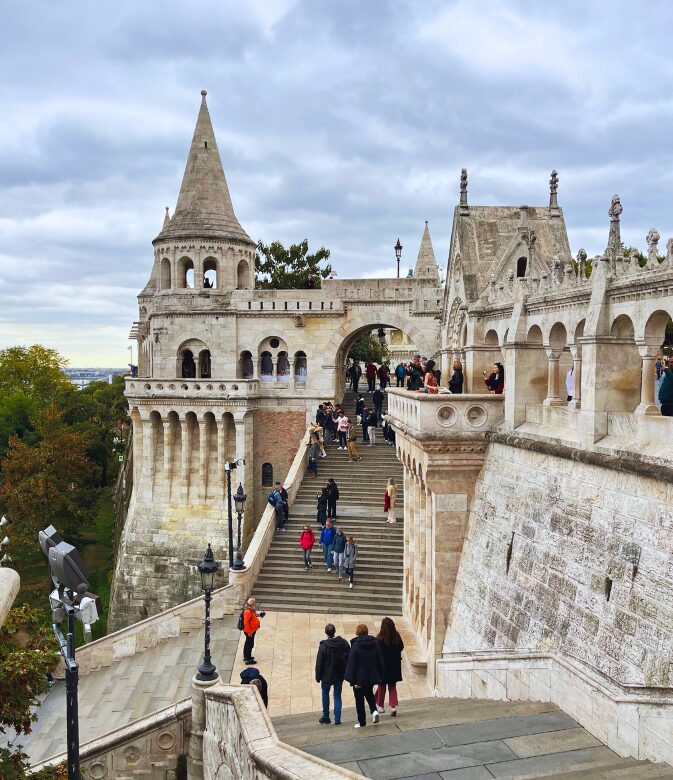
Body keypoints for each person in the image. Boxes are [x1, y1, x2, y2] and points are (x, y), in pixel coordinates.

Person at [345, 624, 382, 728]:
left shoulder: (356, 645)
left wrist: (352, 680)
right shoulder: (374, 644)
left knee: (359, 700)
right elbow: (379, 660)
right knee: (369, 693)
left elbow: (352, 664)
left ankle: (362, 722)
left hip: (359, 678)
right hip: (371, 676)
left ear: (357, 632)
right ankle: (374, 711)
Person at [315, 623, 350, 725]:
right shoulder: (343, 643)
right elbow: (348, 658)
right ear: (334, 632)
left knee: (325, 694)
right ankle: (337, 719)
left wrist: (318, 676)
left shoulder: (323, 646)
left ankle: (326, 716)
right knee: (337, 696)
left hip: (326, 676)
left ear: (326, 633)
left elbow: (319, 663)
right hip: (339, 674)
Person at [375, 617, 404, 717]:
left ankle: (380, 706)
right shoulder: (397, 636)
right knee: (392, 687)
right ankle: (393, 707)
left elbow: (377, 653)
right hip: (394, 666)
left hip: (383, 667)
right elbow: (401, 647)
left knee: (381, 686)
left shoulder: (379, 639)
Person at [242, 597, 266, 665]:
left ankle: (246, 657)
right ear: (251, 604)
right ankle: (248, 660)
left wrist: (259, 615)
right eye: (254, 603)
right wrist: (249, 632)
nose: (255, 604)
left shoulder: (251, 609)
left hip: (252, 630)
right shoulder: (247, 611)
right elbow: (246, 623)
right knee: (250, 644)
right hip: (250, 631)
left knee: (248, 643)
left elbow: (254, 616)